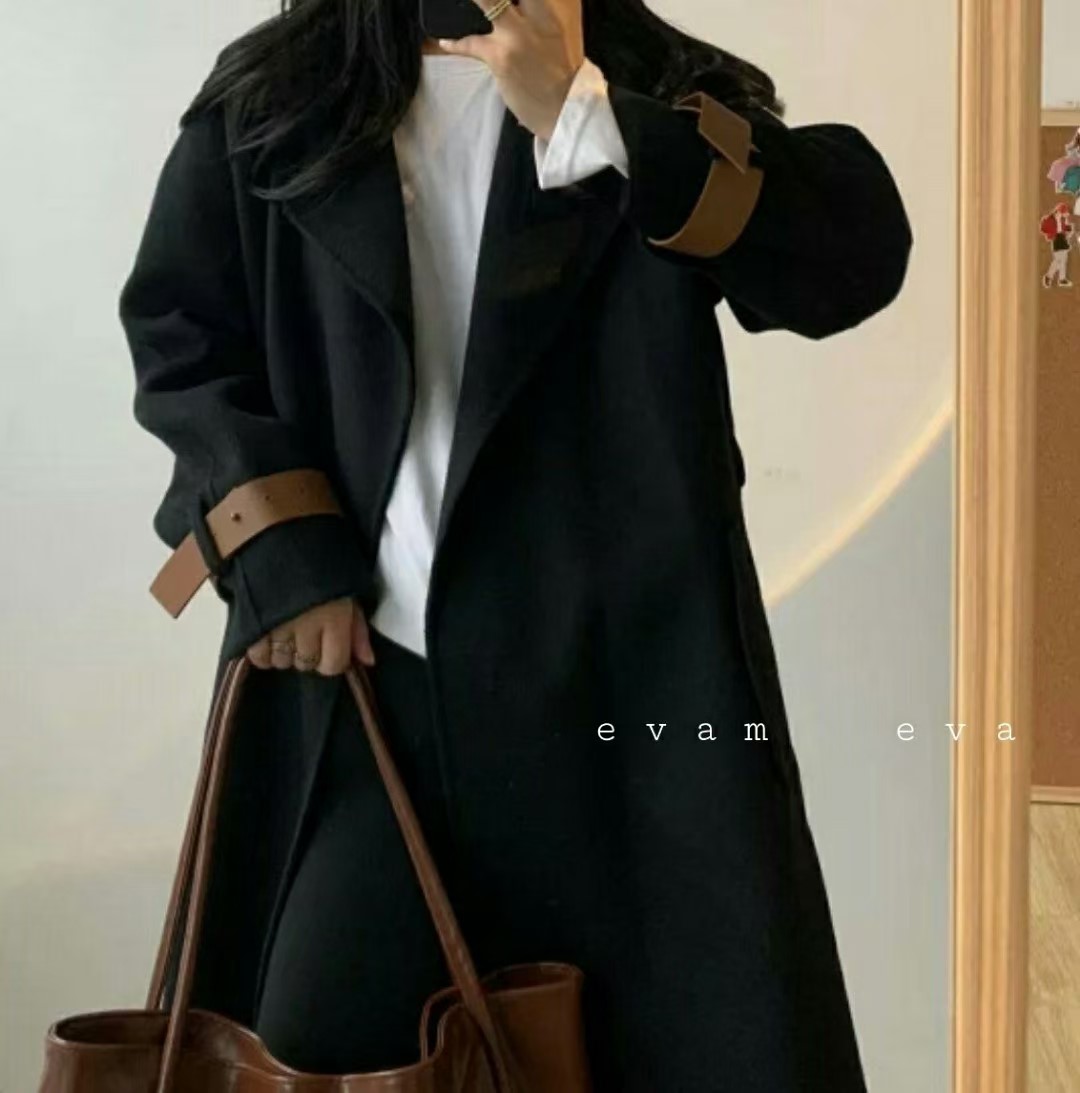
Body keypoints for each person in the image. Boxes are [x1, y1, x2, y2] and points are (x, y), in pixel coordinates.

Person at [118, 0, 913, 1088]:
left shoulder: (649, 82)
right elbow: (181, 337)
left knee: (671, 1050)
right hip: (361, 699)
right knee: (314, 1047)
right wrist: (279, 553)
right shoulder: (281, 97)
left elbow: (853, 258)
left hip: (629, 712)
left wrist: (593, 117)